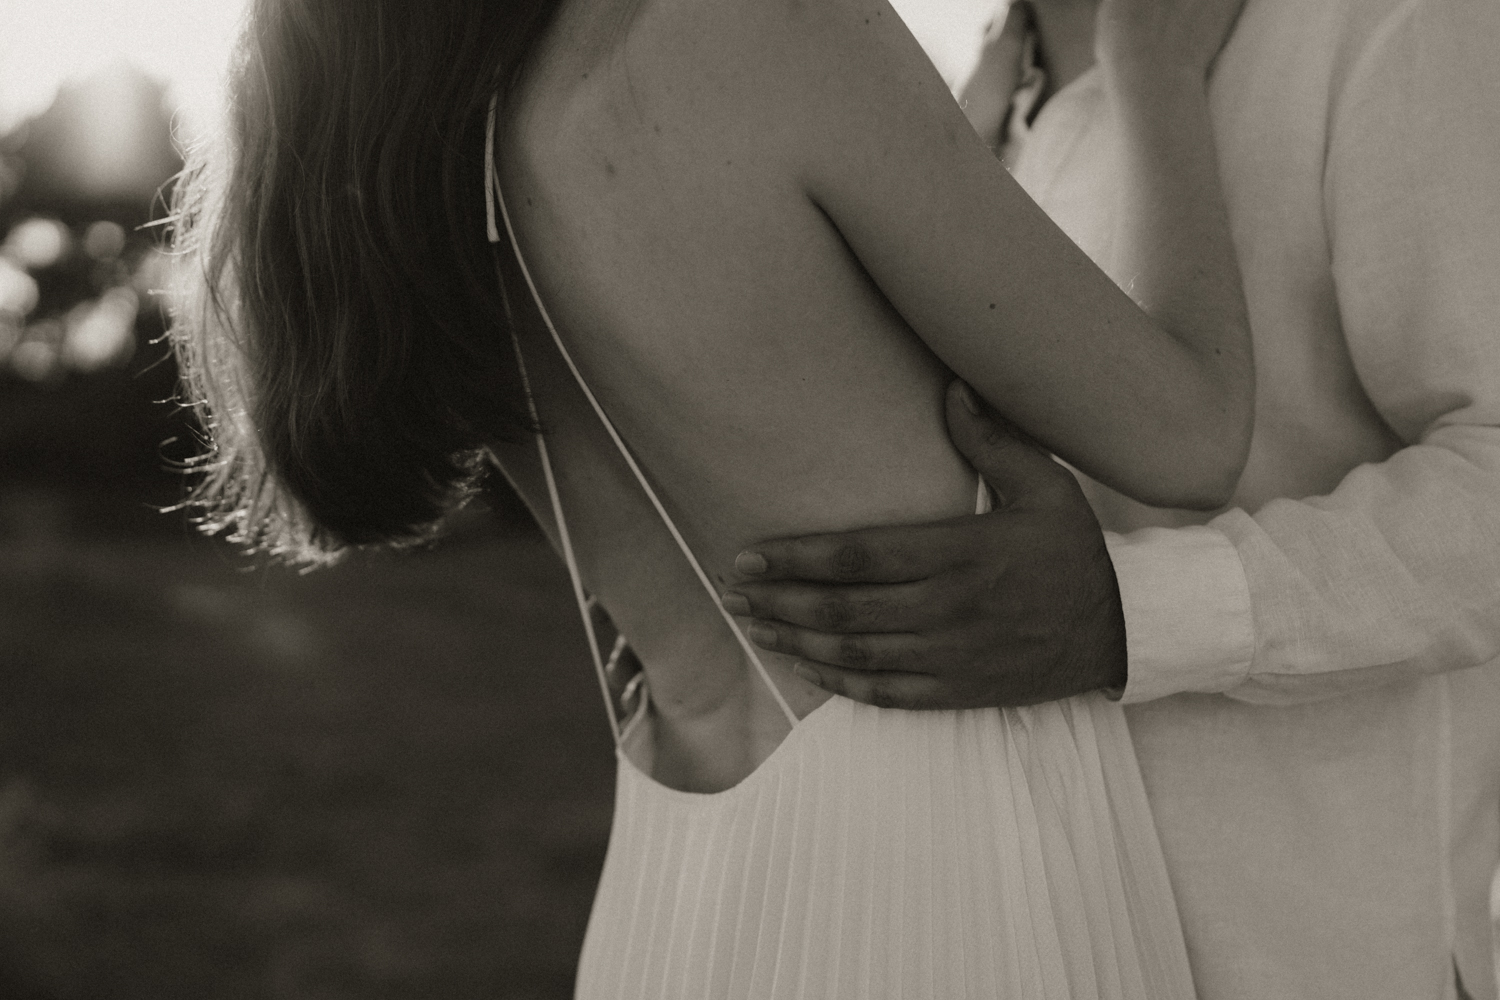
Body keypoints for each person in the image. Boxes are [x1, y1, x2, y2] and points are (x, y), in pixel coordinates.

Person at [168, 0, 1253, 994]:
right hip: (949, 856)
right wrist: (1154, 72)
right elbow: (1190, 436)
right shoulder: (756, 23)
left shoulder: (418, 130)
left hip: (675, 884)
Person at [728, 0, 1500, 997]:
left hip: (1311, 949)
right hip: (1004, 931)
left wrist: (1129, 611)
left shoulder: (1394, 27)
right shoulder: (971, 91)